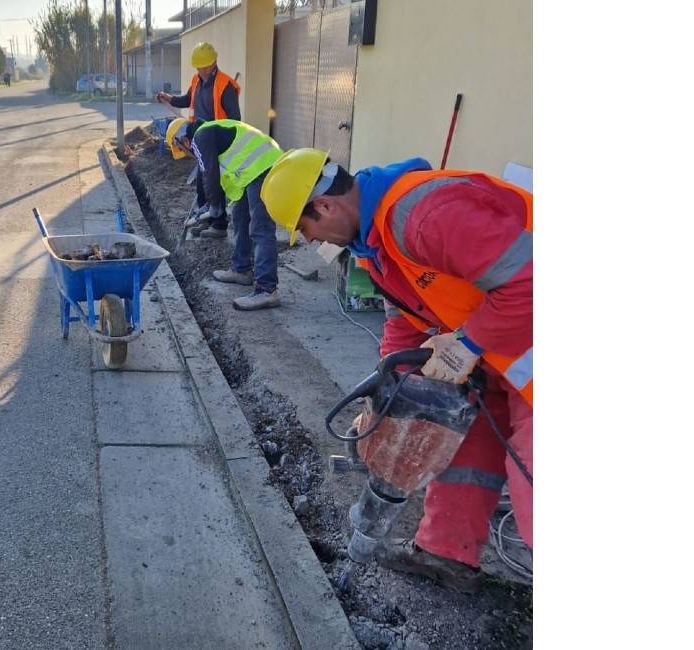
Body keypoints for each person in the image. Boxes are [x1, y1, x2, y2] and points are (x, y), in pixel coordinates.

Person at [260, 148, 533, 592]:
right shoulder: (375, 248)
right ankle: (446, 553)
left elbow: (532, 279)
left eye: (305, 230)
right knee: (460, 437)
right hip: (500, 349)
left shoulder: (425, 216)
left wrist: (468, 343)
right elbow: (404, 325)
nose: (310, 242)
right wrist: (384, 399)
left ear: (325, 206)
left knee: (532, 481)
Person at [166, 117, 284, 311]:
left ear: (184, 140)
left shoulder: (200, 137)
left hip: (263, 167)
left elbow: (209, 174)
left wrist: (214, 207)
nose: (187, 153)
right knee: (239, 217)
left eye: (182, 149)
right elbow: (211, 175)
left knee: (260, 228)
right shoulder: (209, 133)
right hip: (251, 172)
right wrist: (211, 205)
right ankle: (241, 269)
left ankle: (267, 289)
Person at [156, 42, 241, 240]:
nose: (201, 71)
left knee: (213, 182)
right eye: (198, 67)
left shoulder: (226, 85)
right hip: (199, 139)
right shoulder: (196, 80)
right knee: (202, 184)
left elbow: (235, 120)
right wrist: (169, 98)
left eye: (204, 67)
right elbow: (187, 100)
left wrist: (224, 142)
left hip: (217, 140)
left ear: (213, 63)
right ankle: (207, 219)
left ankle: (219, 225)